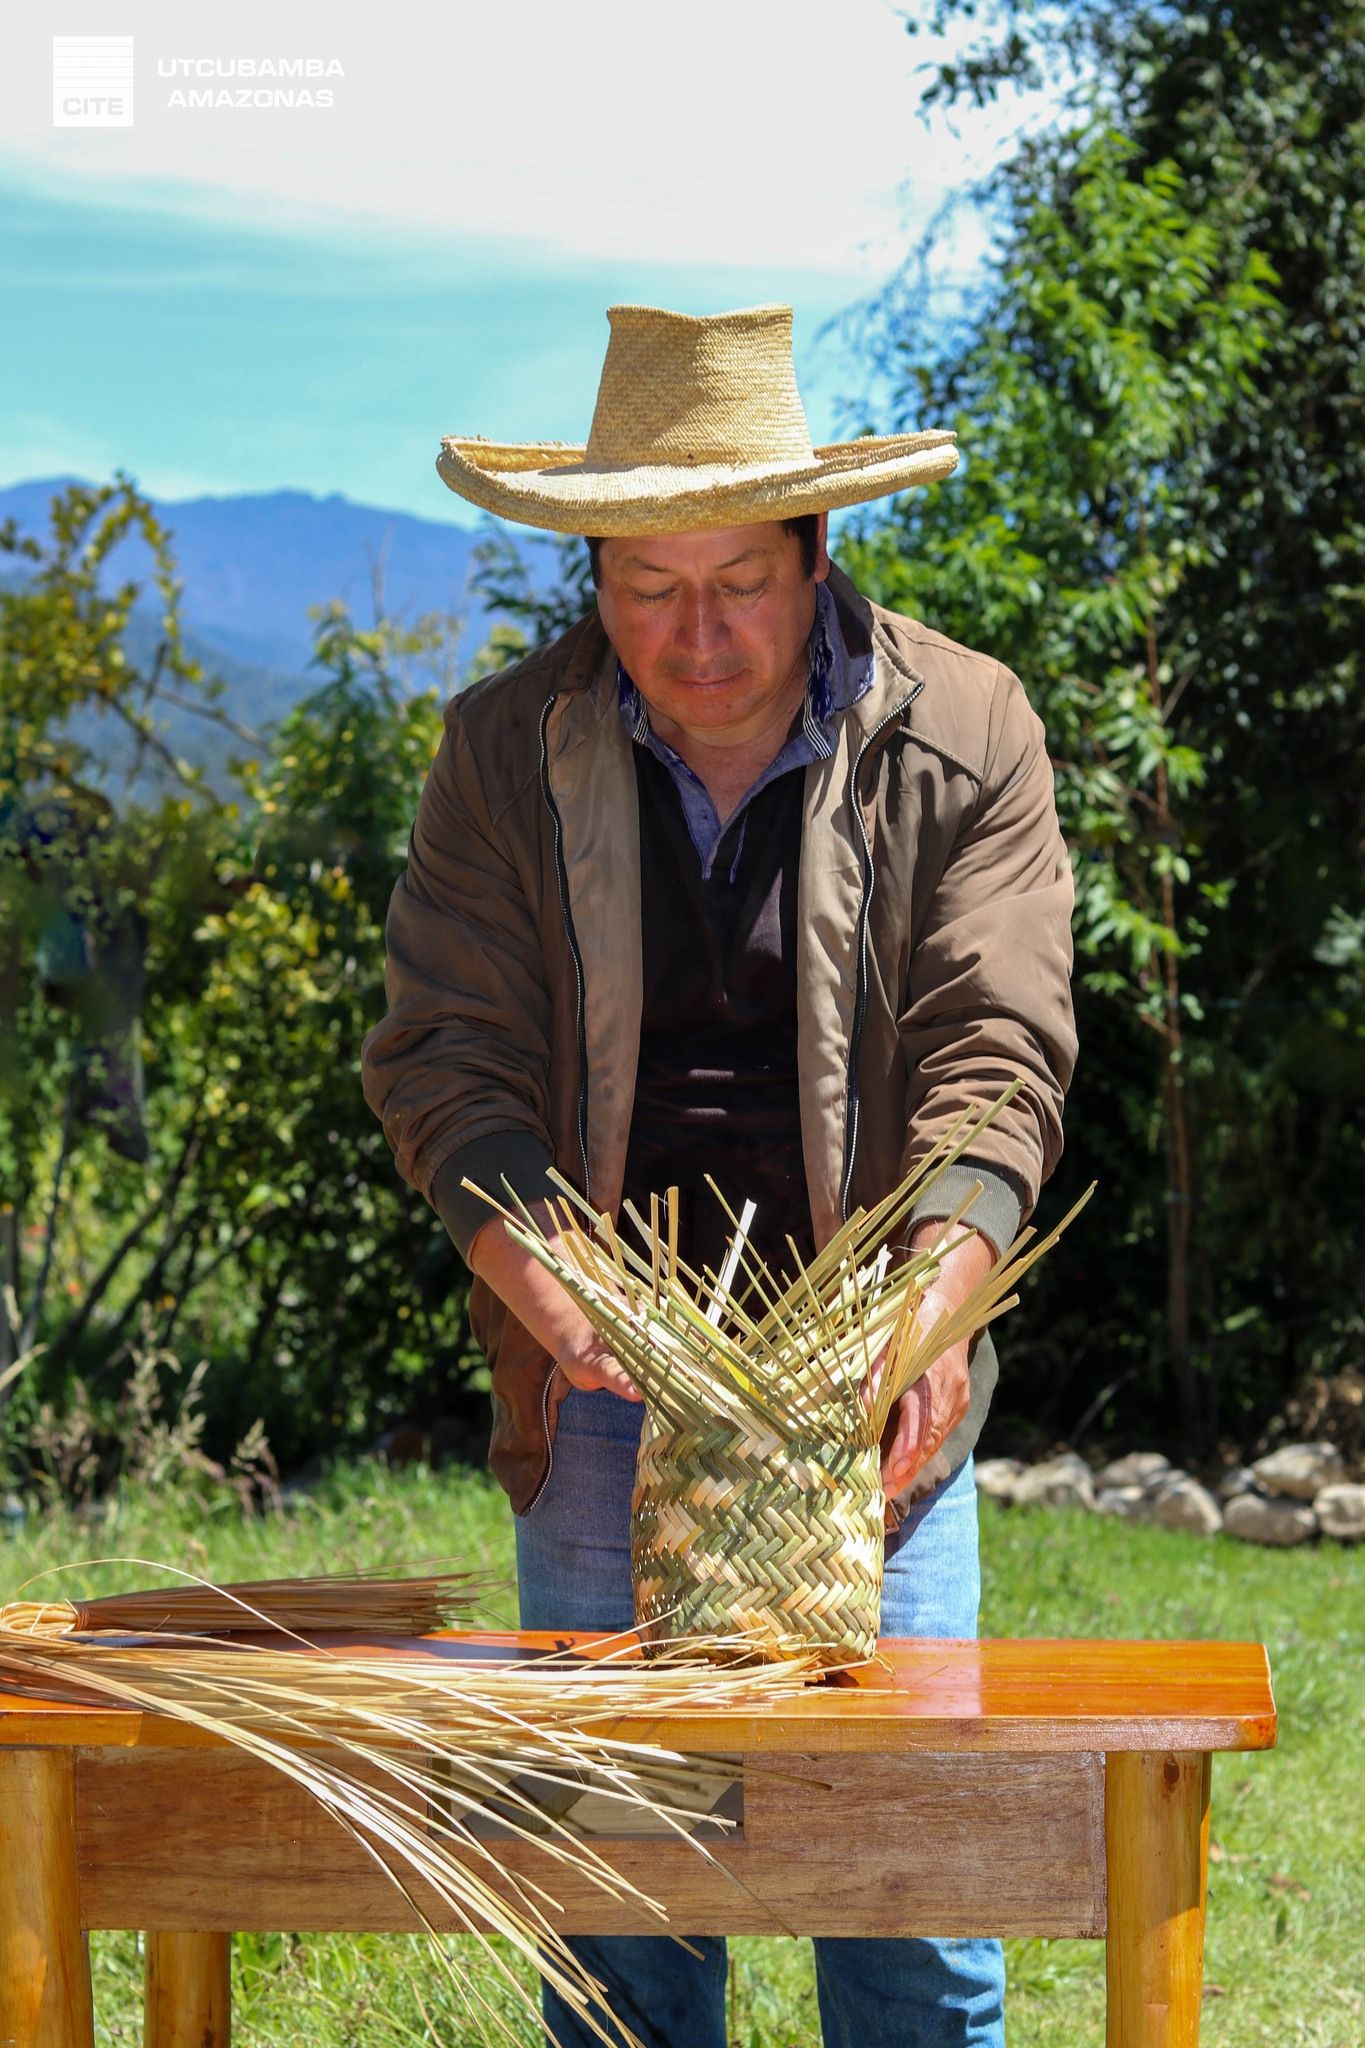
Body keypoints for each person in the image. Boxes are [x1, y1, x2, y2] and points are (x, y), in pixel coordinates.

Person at [361, 302, 1077, 2048]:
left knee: (906, 1892)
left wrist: (928, 1305)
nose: (695, 637)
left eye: (740, 582)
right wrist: (544, 1277)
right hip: (605, 1389)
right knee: (624, 1904)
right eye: (646, 586)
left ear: (815, 552)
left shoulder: (964, 728)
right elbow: (448, 1054)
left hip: (869, 1387)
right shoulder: (503, 749)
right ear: (591, 575)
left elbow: (998, 1050)